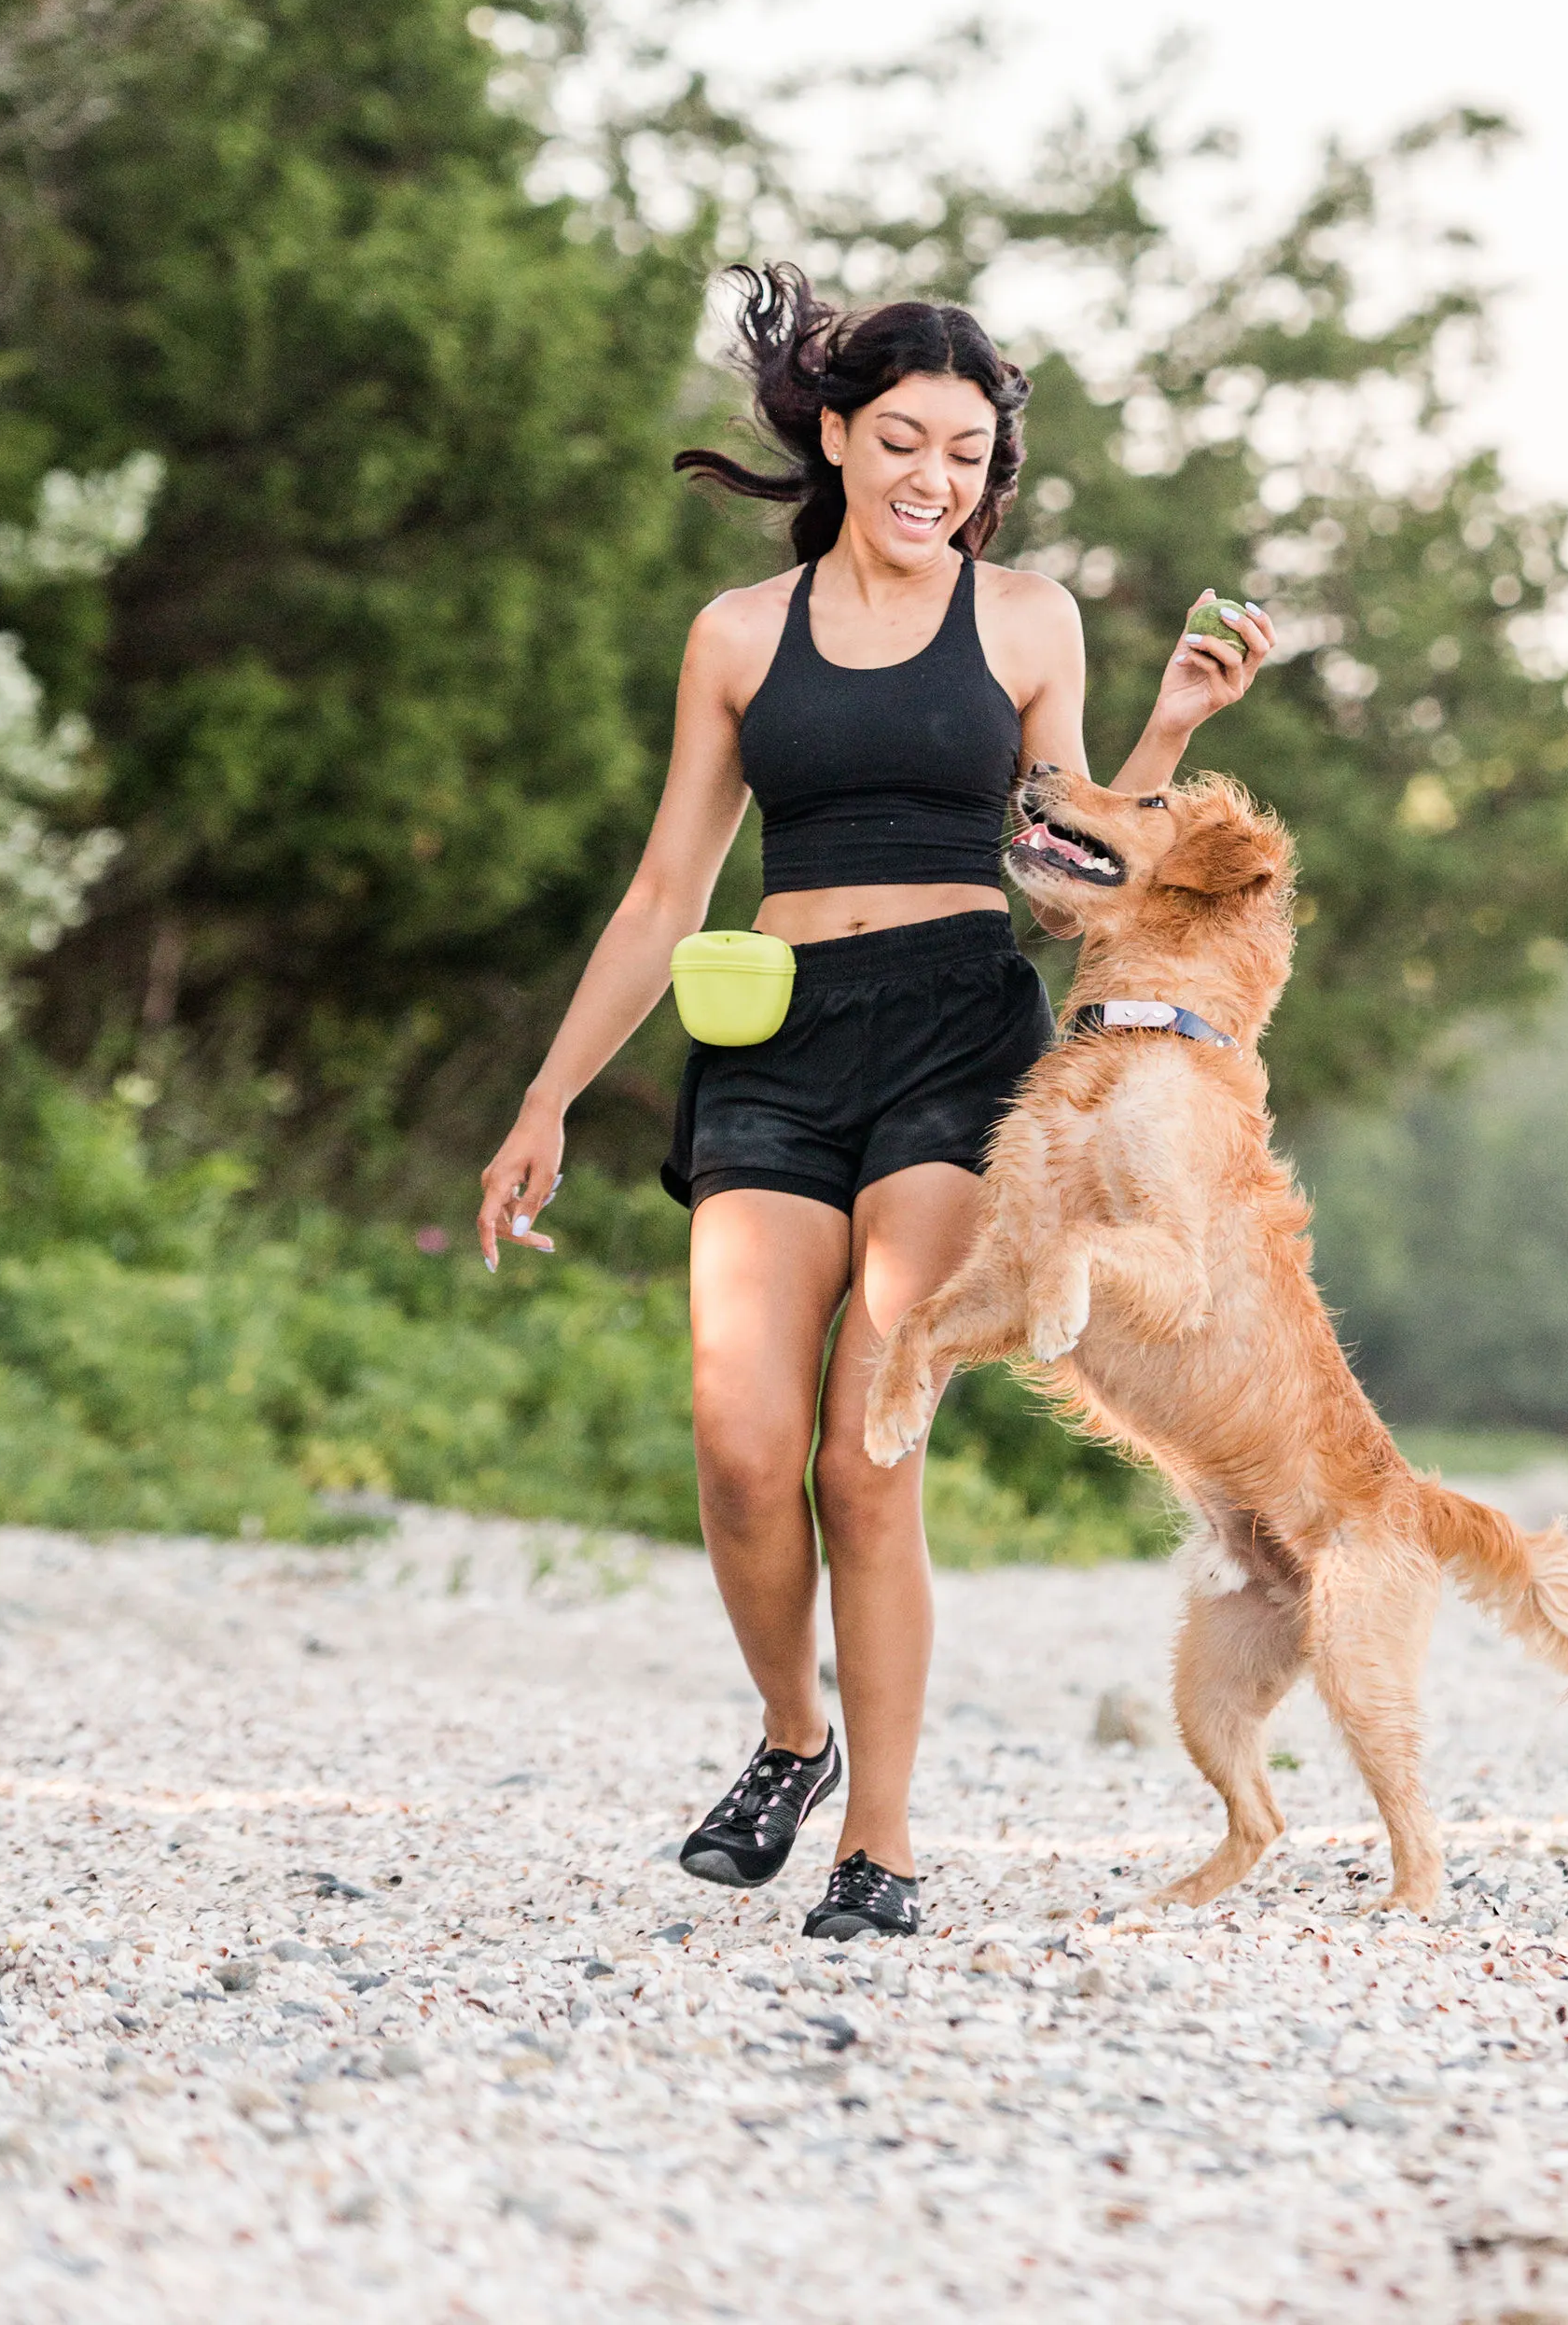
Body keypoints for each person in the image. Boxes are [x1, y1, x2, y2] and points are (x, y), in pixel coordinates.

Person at [477, 265, 1273, 1941]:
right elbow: (661, 892)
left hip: (954, 1043)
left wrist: (1169, 724)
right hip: (771, 1034)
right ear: (835, 439)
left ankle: (882, 1845)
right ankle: (792, 1737)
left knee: (866, 1451)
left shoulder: (1029, 620)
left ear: (994, 476)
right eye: (902, 439)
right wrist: (549, 1095)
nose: (935, 477)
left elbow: (1073, 872)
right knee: (742, 1440)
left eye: (969, 453)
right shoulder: (738, 638)